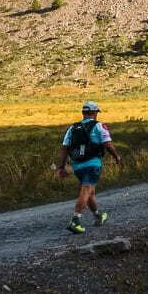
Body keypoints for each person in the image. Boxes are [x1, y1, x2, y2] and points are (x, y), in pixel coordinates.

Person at [57, 100, 121, 234]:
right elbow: (108, 144)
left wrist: (61, 167)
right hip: (92, 163)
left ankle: (98, 216)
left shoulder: (72, 128)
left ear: (83, 113)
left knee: (88, 189)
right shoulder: (99, 126)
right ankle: (75, 220)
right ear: (95, 113)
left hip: (77, 165)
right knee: (87, 189)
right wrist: (116, 156)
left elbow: (64, 148)